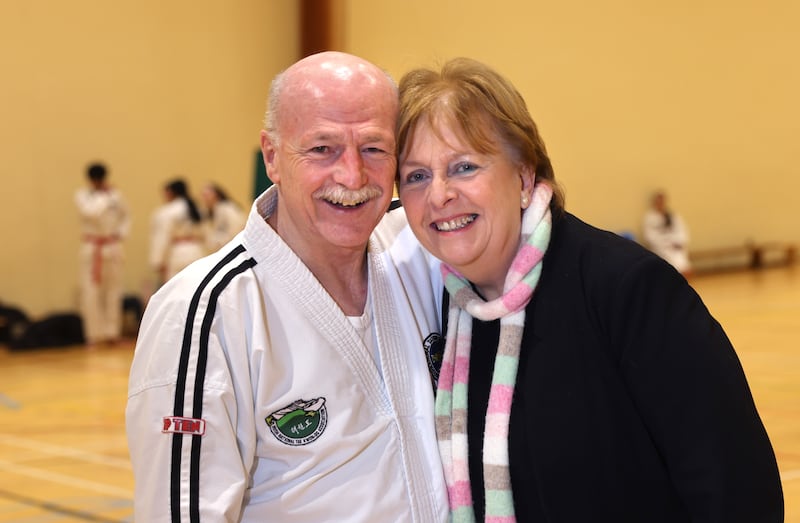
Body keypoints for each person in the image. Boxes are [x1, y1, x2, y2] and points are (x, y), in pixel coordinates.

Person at [395, 57, 783, 522]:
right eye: (416, 176)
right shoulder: (449, 314)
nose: (438, 195)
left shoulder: (626, 290)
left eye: (463, 167)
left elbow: (736, 487)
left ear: (523, 175)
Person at [126, 51, 448, 522]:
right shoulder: (205, 312)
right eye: (322, 148)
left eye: (374, 148)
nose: (352, 176)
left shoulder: (422, 249)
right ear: (272, 157)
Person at [74, 162, 130, 347]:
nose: (99, 182)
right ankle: (93, 335)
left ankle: (112, 333)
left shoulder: (116, 195)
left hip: (112, 246)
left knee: (114, 290)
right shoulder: (82, 195)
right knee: (91, 291)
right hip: (93, 247)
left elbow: (126, 216)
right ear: (91, 180)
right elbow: (92, 213)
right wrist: (105, 197)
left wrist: (121, 233)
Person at [148, 177, 206, 285]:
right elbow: (205, 233)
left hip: (177, 253)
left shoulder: (168, 211)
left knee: (175, 289)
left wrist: (159, 261)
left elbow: (163, 237)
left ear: (170, 192)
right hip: (196, 251)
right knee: (194, 287)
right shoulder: (197, 208)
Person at [642, 189, 693, 276]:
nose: (660, 204)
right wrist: (666, 243)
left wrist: (678, 241)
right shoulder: (650, 217)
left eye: (662, 201)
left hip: (675, 244)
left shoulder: (672, 215)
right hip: (661, 247)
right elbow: (649, 236)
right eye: (658, 202)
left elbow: (681, 230)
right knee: (670, 261)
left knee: (682, 261)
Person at [200, 182, 246, 251]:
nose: (205, 198)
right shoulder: (209, 211)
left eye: (207, 195)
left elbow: (237, 227)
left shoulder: (227, 207)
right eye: (203, 196)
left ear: (216, 195)